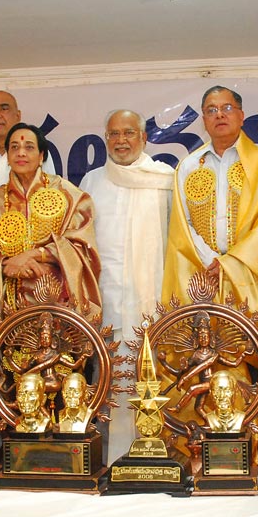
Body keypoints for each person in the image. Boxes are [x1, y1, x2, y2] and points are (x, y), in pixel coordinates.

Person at [80, 109, 173, 461]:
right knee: (112, 379)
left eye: (129, 133)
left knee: (155, 375)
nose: (121, 141)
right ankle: (114, 459)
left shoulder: (164, 178)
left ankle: (160, 457)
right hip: (107, 298)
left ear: (144, 138)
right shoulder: (91, 182)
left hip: (154, 298)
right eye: (114, 134)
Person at [0, 123, 101, 353]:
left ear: (41, 156)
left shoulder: (69, 194)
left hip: (56, 303)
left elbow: (80, 245)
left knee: (61, 379)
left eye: (29, 147)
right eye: (14, 147)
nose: (21, 153)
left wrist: (36, 255)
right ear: (7, 156)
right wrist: (7, 263)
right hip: (9, 306)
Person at [163, 86, 258, 334]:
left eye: (227, 108)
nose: (220, 115)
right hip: (203, 274)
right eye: (212, 110)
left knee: (252, 351)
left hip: (250, 275)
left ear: (241, 116)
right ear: (203, 120)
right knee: (204, 351)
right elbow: (181, 222)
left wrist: (230, 263)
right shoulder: (188, 166)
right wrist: (211, 260)